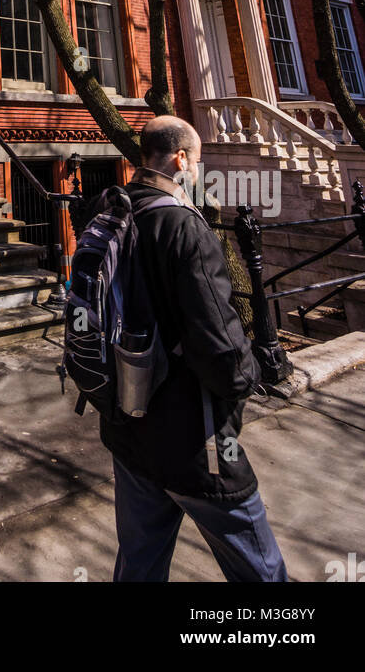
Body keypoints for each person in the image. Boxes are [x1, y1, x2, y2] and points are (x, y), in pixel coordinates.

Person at [101, 114, 288, 582]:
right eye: (198, 161)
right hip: (193, 436)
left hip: (125, 422)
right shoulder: (184, 225)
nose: (199, 171)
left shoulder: (110, 211)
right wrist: (247, 380)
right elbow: (219, 340)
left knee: (140, 564)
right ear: (181, 158)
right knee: (260, 568)